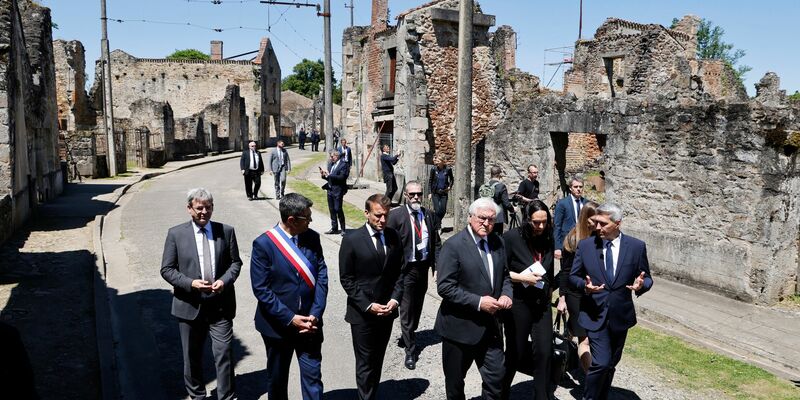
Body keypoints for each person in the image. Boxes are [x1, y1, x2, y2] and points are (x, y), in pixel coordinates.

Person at [160, 188, 242, 400]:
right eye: (199, 208)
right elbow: (167, 269)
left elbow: (235, 263)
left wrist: (224, 281)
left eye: (208, 207)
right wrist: (190, 283)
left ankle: (227, 396)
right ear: (189, 209)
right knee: (192, 356)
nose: (204, 212)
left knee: (224, 353)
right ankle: (197, 395)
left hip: (220, 305)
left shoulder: (226, 231)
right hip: (189, 306)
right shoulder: (176, 234)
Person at [569, 203, 653, 400]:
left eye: (603, 224)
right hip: (594, 313)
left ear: (617, 223)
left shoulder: (636, 246)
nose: (597, 227)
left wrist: (642, 285)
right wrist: (585, 286)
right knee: (602, 363)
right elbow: (573, 277)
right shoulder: (586, 246)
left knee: (611, 364)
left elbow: (646, 277)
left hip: (620, 316)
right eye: (596, 222)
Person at [251, 193, 328, 400]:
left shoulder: (312, 238)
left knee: (313, 378)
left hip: (310, 325)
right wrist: (290, 318)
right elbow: (261, 289)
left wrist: (316, 313)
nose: (311, 221)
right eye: (307, 217)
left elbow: (321, 275)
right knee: (277, 380)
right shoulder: (264, 244)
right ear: (291, 220)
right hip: (278, 327)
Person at [435, 197, 513, 400]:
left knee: (496, 379)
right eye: (482, 218)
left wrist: (506, 294)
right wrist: (479, 302)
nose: (487, 224)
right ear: (470, 218)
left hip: (491, 328)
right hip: (459, 328)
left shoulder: (498, 242)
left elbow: (504, 276)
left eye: (491, 219)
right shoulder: (453, 246)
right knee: (455, 384)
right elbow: (445, 287)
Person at [339, 194, 406, 400]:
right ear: (366, 213)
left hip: (387, 311)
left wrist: (395, 300)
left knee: (377, 360)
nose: (382, 220)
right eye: (378, 216)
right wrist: (368, 305)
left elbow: (400, 272)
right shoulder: (352, 239)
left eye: (385, 215)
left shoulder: (394, 236)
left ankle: (371, 394)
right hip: (363, 314)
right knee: (365, 362)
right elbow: (347, 279)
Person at [501, 200, 555, 400]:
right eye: (536, 222)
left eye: (544, 222)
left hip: (541, 305)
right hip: (519, 303)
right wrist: (523, 278)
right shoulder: (511, 238)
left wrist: (552, 293)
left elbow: (549, 269)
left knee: (544, 352)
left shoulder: (548, 236)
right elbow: (501, 271)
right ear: (527, 220)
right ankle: (500, 391)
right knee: (516, 352)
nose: (540, 226)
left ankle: (541, 396)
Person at [387, 181, 439, 370]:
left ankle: (408, 332)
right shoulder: (396, 216)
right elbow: (388, 243)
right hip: (405, 269)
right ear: (406, 196)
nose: (416, 197)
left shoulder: (429, 215)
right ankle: (410, 350)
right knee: (407, 308)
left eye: (419, 194)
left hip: (422, 267)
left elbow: (436, 241)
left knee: (417, 306)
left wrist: (437, 265)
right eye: (412, 194)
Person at [557, 200, 599, 373]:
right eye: (595, 220)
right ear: (586, 219)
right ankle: (591, 379)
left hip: (594, 294)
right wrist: (562, 298)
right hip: (576, 294)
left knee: (573, 331)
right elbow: (565, 272)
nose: (598, 224)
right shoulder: (573, 239)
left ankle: (563, 358)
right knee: (585, 339)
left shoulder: (600, 238)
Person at [554, 176, 586, 260]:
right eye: (575, 187)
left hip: (583, 242)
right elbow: (557, 226)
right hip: (567, 243)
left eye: (580, 187)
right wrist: (557, 247)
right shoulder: (562, 204)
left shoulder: (587, 203)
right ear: (570, 188)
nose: (578, 189)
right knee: (567, 270)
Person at [320, 150, 348, 235]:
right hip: (330, 190)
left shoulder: (343, 165)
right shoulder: (331, 165)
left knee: (338, 209)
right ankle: (334, 228)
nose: (331, 158)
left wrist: (330, 175)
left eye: (332, 157)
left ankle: (343, 229)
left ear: (337, 156)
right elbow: (330, 178)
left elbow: (342, 177)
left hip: (338, 190)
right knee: (332, 210)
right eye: (330, 157)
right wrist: (324, 176)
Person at [428, 157, 454, 231]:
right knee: (437, 210)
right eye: (436, 160)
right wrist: (430, 193)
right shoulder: (433, 169)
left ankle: (437, 221)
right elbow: (430, 181)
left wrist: (450, 186)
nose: (436, 161)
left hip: (444, 192)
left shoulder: (448, 169)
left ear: (442, 161)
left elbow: (452, 179)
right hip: (435, 192)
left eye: (438, 160)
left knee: (443, 210)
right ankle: (438, 227)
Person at [487, 166, 513, 235]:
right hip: (497, 217)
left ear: (491, 174)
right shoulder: (501, 186)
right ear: (499, 175)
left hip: (487, 215)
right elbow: (506, 203)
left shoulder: (486, 186)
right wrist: (513, 210)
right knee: (497, 237)